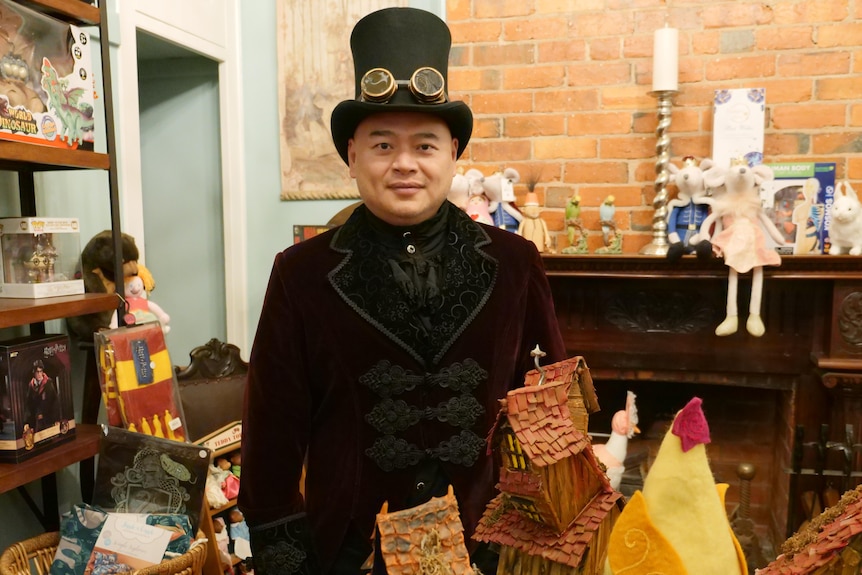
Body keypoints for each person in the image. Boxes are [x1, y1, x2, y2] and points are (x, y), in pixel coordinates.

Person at [238, 7, 566, 574]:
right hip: (347, 552)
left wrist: (538, 541)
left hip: (483, 548)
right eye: (383, 145)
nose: (405, 165)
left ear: (453, 154)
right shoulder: (301, 274)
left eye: (425, 145)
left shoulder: (515, 264)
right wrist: (288, 561)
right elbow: (271, 435)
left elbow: (549, 408)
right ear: (352, 158)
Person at [26, 359, 59, 433]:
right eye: (37, 372)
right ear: (34, 372)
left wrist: (55, 418)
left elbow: (54, 401)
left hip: (48, 417)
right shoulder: (31, 385)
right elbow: (29, 403)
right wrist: (30, 421)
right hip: (36, 419)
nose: (39, 374)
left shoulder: (48, 383)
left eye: (40, 371)